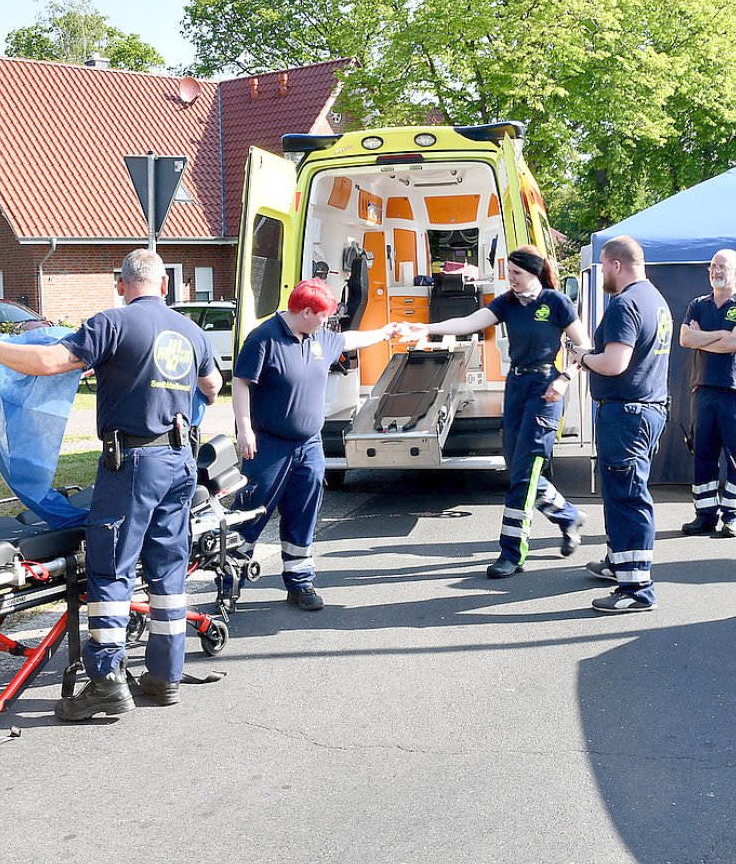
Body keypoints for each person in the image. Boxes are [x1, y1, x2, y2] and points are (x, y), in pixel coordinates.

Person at [0, 249, 222, 720]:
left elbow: (47, 361)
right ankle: (165, 675)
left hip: (134, 464)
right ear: (165, 287)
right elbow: (212, 385)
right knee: (167, 571)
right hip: (179, 462)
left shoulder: (113, 323)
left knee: (111, 568)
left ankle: (106, 681)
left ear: (121, 284)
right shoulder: (191, 331)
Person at [403, 245, 586, 577]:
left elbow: (584, 347)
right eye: (510, 272)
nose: (511, 278)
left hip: (546, 387)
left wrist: (564, 378)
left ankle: (511, 552)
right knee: (518, 469)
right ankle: (568, 516)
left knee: (525, 471)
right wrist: (427, 329)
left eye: (516, 273)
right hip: (516, 387)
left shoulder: (556, 303)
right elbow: (470, 321)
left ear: (533, 272)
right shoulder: (507, 302)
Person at [233, 278, 398, 610]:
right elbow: (240, 383)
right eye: (324, 315)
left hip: (309, 445)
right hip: (269, 446)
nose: (328, 321)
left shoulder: (318, 335)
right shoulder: (263, 339)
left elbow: (348, 338)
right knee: (251, 514)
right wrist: (244, 429)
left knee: (303, 514)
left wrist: (384, 333)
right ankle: (229, 583)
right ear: (305, 311)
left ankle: (299, 582)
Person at [573, 236, 672, 614]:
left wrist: (585, 357)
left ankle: (636, 589)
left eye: (602, 266)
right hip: (646, 409)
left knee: (628, 499)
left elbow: (615, 363)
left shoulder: (625, 304)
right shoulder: (656, 300)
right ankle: (620, 563)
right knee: (622, 494)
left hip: (627, 414)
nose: (602, 274)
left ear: (616, 264)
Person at [678, 249, 736, 537]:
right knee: (703, 454)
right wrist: (720, 335)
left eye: (722, 267)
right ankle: (704, 515)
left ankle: (734, 516)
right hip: (702, 390)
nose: (715, 271)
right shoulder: (698, 305)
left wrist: (706, 338)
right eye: (713, 266)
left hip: (735, 392)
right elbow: (685, 338)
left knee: (735, 456)